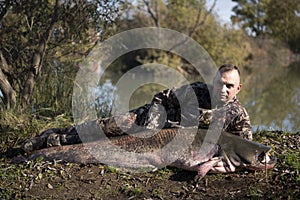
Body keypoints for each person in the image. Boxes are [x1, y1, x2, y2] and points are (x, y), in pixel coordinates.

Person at [22, 64, 252, 153]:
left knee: (102, 144)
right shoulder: (196, 90)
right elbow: (161, 97)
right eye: (219, 83)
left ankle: (55, 140)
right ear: (213, 81)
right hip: (147, 120)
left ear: (238, 88)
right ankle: (48, 138)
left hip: (168, 140)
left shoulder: (237, 115)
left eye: (229, 85)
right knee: (103, 128)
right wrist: (149, 126)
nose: (222, 89)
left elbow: (246, 145)